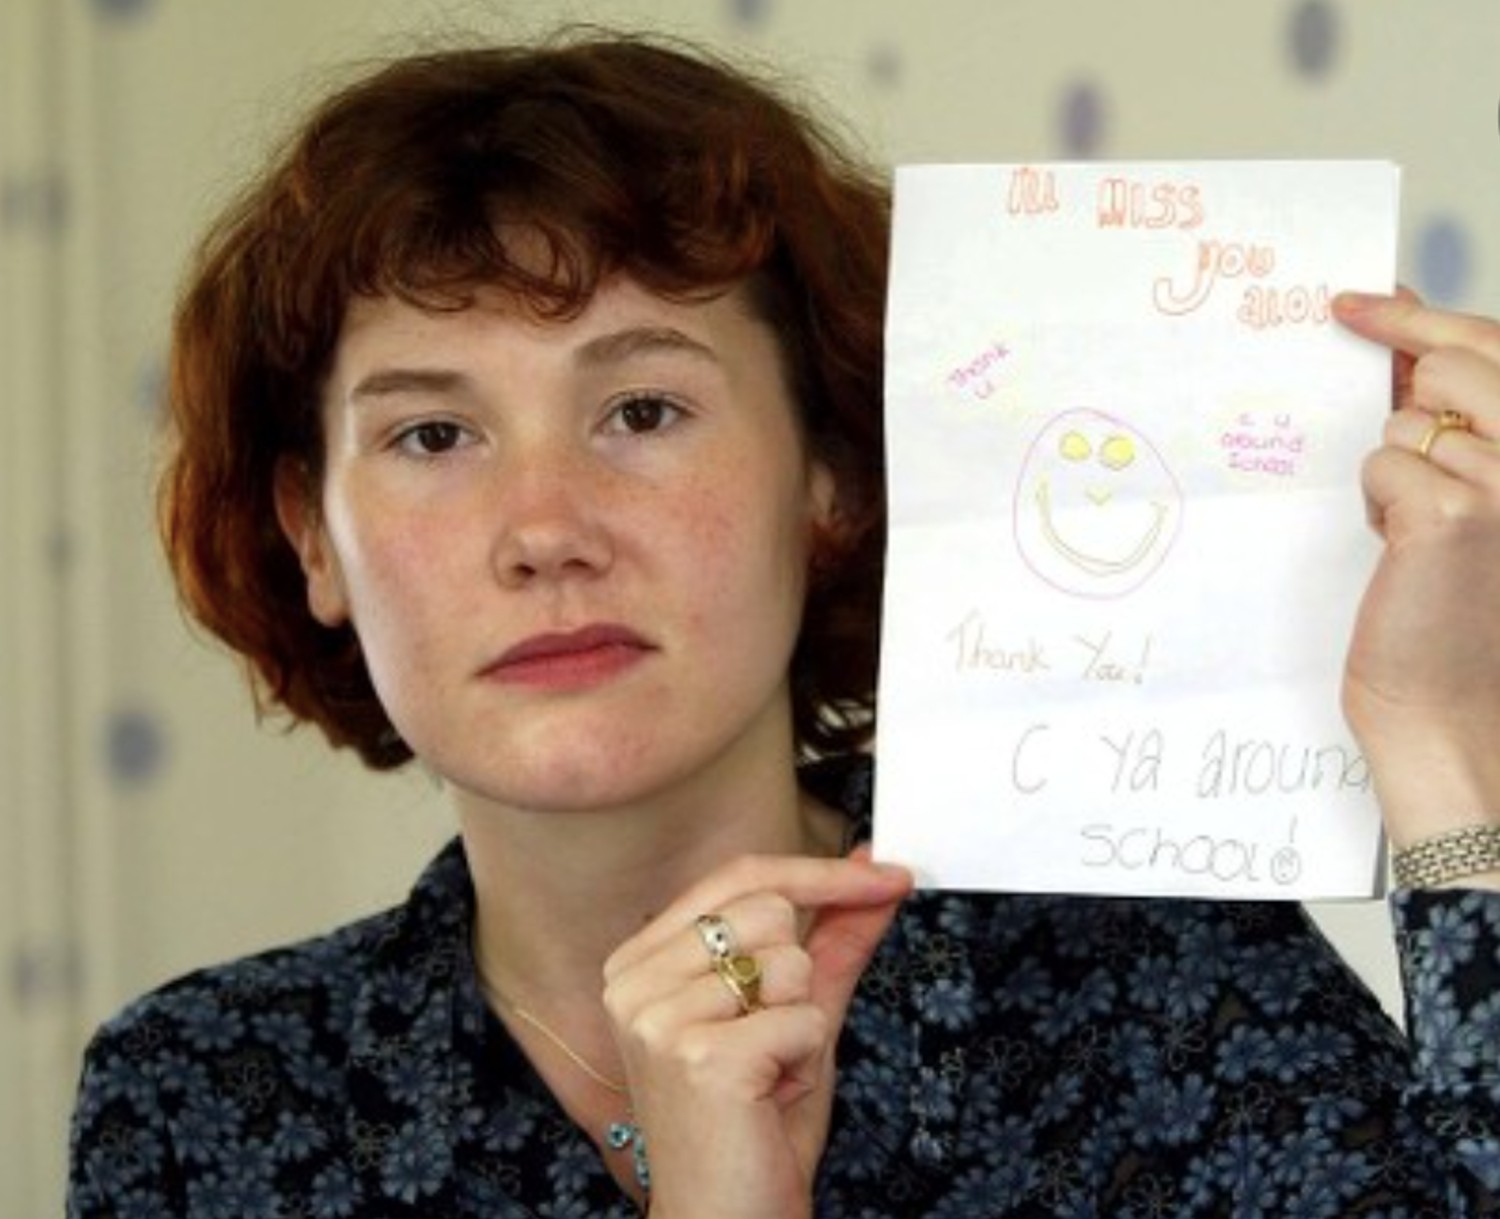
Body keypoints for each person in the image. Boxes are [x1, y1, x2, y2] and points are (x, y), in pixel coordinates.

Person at [65, 30, 1500, 1219]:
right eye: (434, 435)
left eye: (642, 410)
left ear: (832, 476)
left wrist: (1443, 739)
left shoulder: (1149, 977)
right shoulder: (200, 1097)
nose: (546, 528)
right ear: (316, 536)